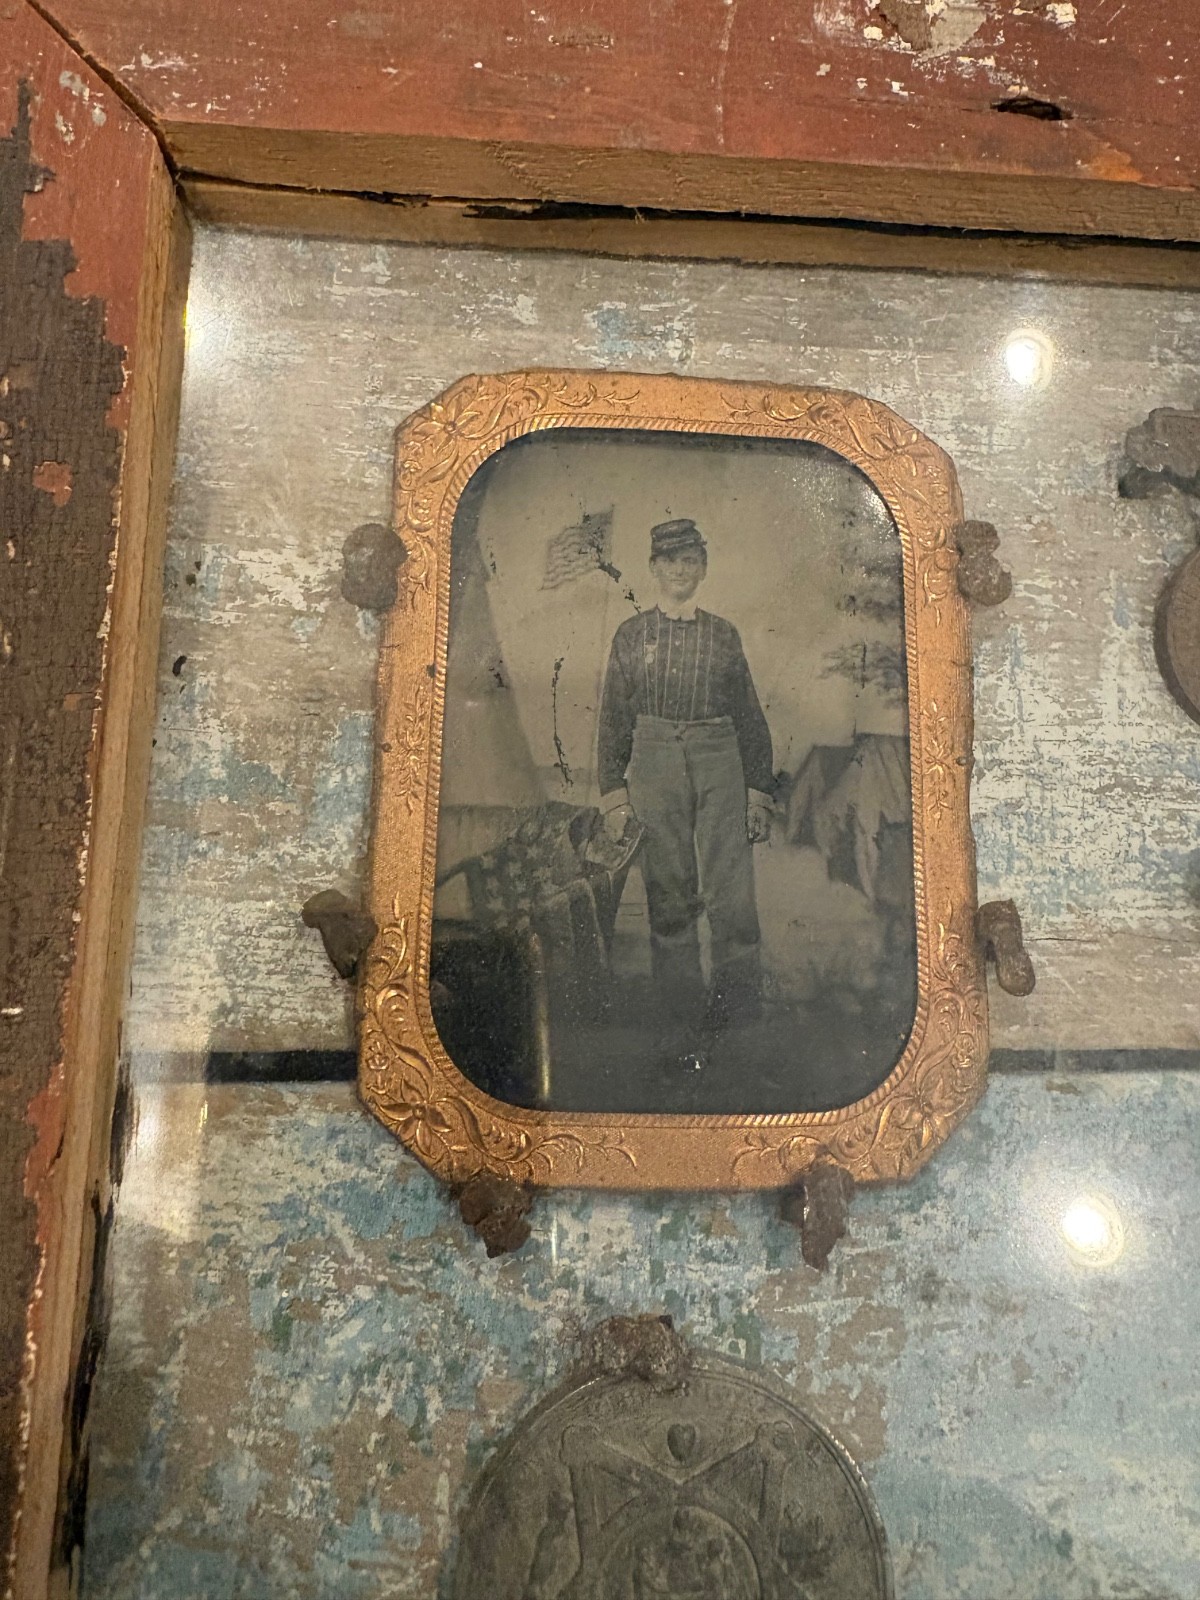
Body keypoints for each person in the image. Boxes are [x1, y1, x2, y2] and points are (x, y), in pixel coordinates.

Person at [596, 518, 773, 1061]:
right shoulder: (631, 635)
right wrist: (615, 795)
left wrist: (757, 790)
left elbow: (748, 713)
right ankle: (679, 1019)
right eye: (670, 560)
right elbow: (613, 718)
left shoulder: (723, 634)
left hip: (720, 755)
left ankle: (738, 1019)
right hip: (653, 760)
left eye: (690, 560)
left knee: (731, 892)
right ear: (653, 568)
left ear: (704, 568)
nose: (680, 569)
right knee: (668, 891)